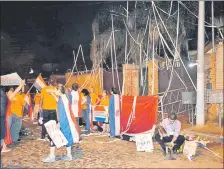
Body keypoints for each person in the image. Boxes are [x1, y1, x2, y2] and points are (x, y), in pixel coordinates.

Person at [43, 84, 80, 163]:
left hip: (64, 122)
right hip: (67, 122)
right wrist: (53, 94)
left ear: (59, 91)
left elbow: (61, 113)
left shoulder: (62, 100)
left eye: (56, 90)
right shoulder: (63, 97)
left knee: (53, 137)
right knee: (67, 137)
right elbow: (59, 102)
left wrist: (58, 124)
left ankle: (52, 156)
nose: (55, 91)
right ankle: (69, 155)